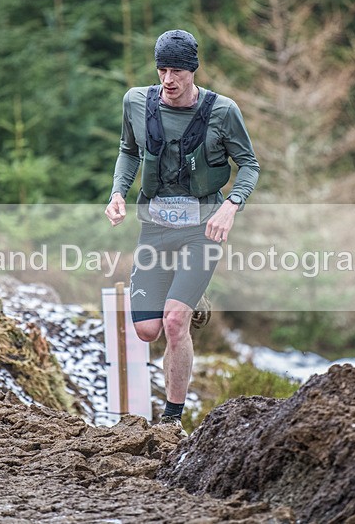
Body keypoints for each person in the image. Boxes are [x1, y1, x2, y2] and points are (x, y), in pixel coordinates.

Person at [104, 29, 260, 428]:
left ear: (193, 70)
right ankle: (191, 298)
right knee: (147, 330)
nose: (168, 79)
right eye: (162, 70)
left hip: (201, 230)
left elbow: (249, 164)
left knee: (174, 323)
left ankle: (171, 421)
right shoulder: (136, 102)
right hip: (154, 227)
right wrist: (118, 192)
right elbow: (128, 151)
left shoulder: (222, 111)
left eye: (177, 71)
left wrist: (231, 205)